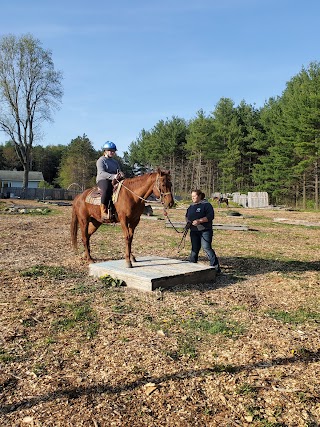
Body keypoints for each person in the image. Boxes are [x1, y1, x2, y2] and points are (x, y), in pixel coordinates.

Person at [186, 189, 221, 273]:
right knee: (194, 249)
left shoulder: (206, 205)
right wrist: (188, 223)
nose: (193, 198)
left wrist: (200, 221)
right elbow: (187, 216)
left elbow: (210, 216)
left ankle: (215, 268)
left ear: (200, 196)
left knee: (206, 248)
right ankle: (192, 265)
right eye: (192, 197)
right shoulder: (191, 206)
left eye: (194, 196)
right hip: (194, 231)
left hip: (205, 231)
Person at [96, 141, 124, 222]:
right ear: (105, 151)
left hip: (115, 180)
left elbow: (119, 171)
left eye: (113, 151)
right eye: (110, 150)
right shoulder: (101, 160)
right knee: (107, 189)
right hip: (103, 179)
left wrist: (120, 174)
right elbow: (101, 172)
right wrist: (113, 176)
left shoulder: (115, 162)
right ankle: (103, 210)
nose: (112, 152)